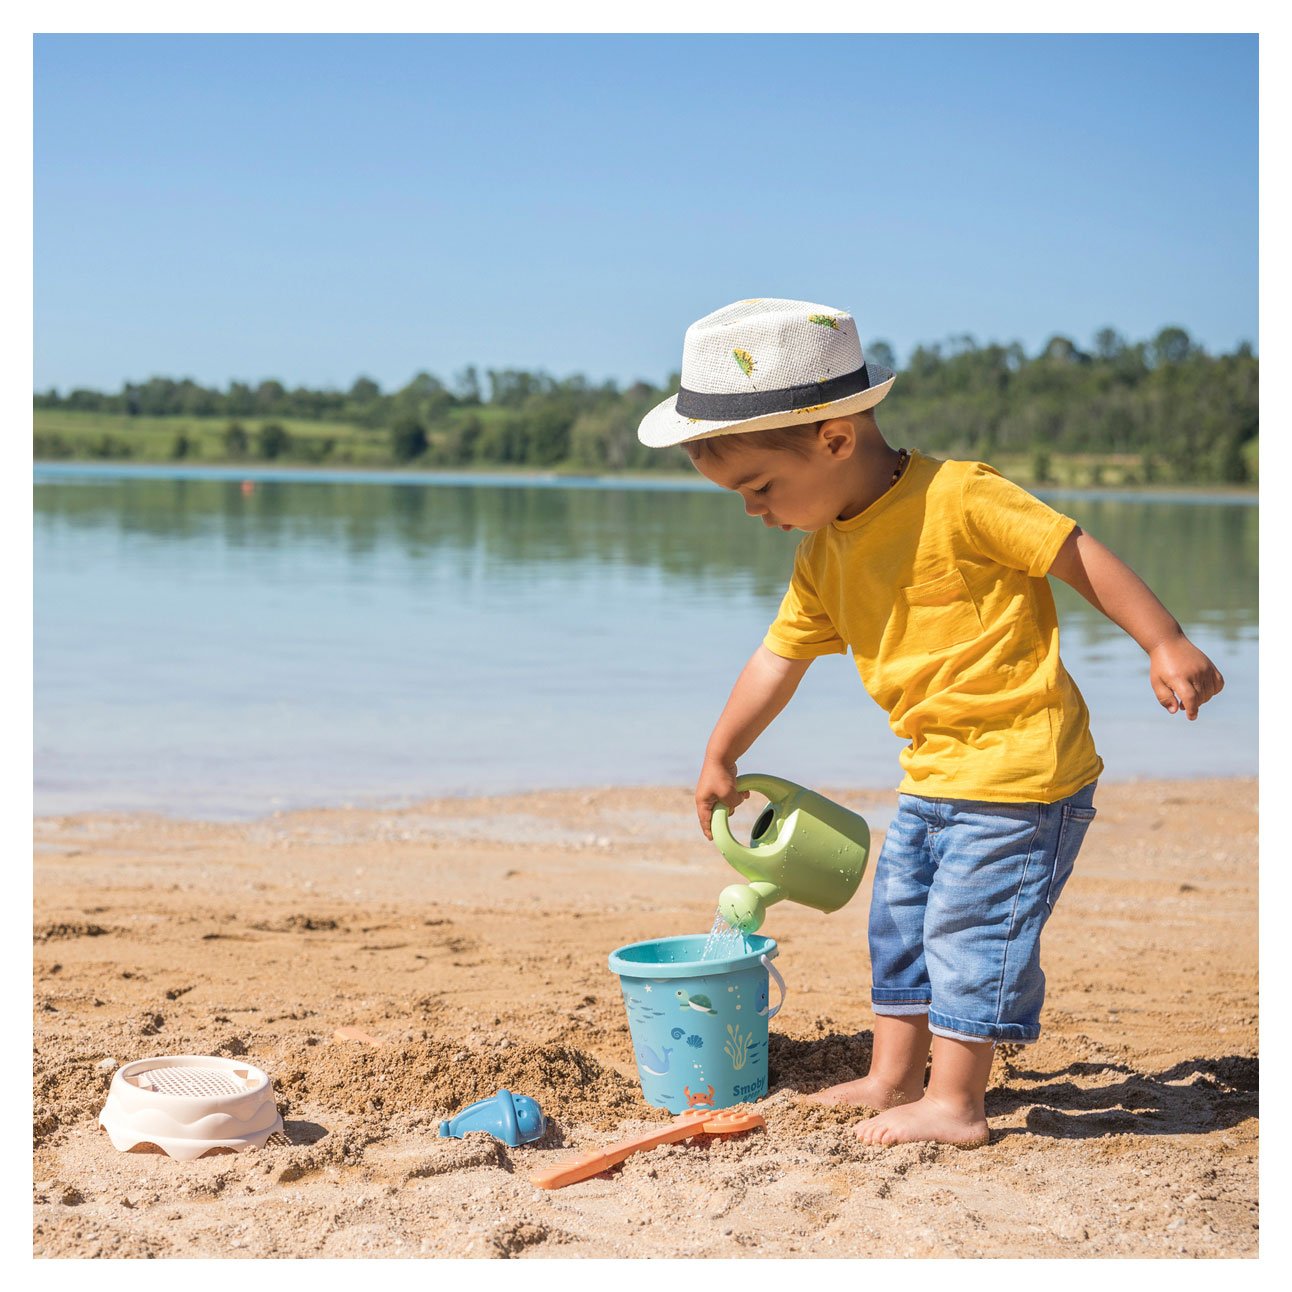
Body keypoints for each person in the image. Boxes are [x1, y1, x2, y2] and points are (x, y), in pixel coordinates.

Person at [637, 298, 1224, 1146]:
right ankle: (890, 1077)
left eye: (759, 487)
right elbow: (777, 659)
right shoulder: (824, 551)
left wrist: (1163, 640)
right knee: (900, 921)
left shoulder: (960, 497)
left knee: (969, 931)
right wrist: (721, 751)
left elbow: (1073, 551)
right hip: (934, 774)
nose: (752, 511)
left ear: (836, 437)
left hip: (1025, 772)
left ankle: (955, 1103)